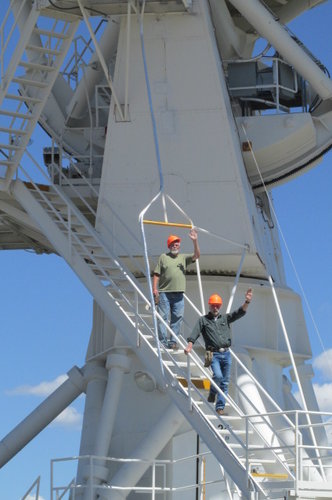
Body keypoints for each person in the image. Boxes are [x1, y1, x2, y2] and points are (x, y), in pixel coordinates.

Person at [184, 288, 253, 415]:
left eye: (217, 306)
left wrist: (247, 302)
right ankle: (212, 392)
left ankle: (219, 407)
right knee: (218, 376)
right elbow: (195, 333)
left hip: (226, 353)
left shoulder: (225, 318)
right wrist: (189, 346)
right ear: (209, 306)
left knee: (225, 381)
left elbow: (239, 313)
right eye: (213, 305)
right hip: (213, 354)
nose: (215, 308)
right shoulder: (203, 320)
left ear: (220, 306)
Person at [153, 228, 200, 349]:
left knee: (177, 319)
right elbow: (157, 274)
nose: (175, 245)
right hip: (164, 293)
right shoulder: (163, 257)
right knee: (162, 318)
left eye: (177, 243)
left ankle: (173, 341)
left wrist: (195, 241)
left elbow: (197, 255)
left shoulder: (183, 258)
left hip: (179, 294)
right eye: (173, 244)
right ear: (169, 246)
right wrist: (155, 289)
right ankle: (163, 342)